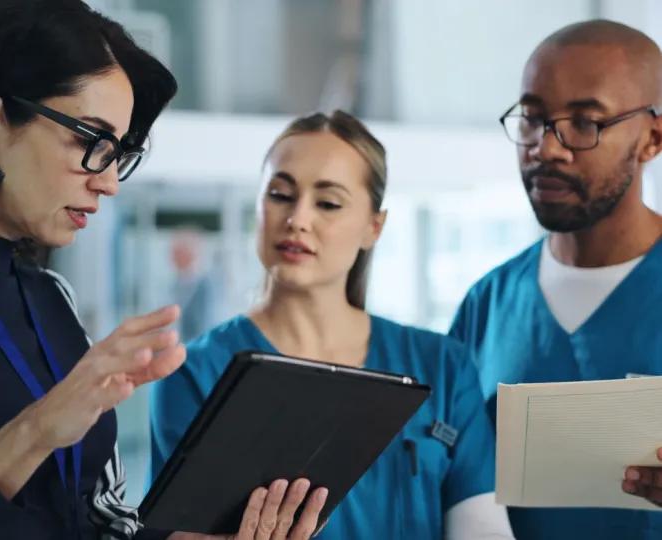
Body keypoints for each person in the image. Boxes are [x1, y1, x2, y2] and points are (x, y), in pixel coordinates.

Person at [0, 1, 325, 538]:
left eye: (118, 155)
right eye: (91, 141)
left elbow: (99, 515)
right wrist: (39, 428)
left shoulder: (52, 296)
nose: (108, 182)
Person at [150, 111, 515, 539]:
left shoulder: (443, 367)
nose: (298, 219)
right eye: (281, 194)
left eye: (328, 203)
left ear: (373, 228)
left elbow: (482, 528)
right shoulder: (195, 372)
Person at [449, 20, 662, 540]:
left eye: (586, 122)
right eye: (533, 119)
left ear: (652, 139)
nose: (547, 148)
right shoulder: (487, 306)